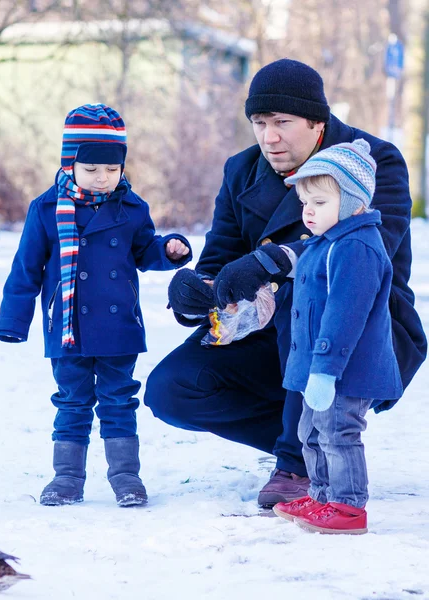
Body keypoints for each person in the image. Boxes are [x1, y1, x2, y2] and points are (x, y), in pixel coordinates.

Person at [145, 59, 427, 508]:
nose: (269, 137)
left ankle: (296, 462)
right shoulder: (242, 170)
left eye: (282, 122)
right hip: (268, 332)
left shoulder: (374, 161)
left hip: (359, 332)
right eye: (259, 122)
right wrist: (195, 291)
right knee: (171, 389)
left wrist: (272, 260)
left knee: (304, 289)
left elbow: (366, 252)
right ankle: (325, 440)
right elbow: (218, 259)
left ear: (318, 122)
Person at [0, 103, 192, 507]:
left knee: (120, 401)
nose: (103, 177)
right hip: (68, 327)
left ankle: (126, 478)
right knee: (72, 401)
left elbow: (143, 250)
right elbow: (26, 269)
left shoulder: (132, 208)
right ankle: (66, 478)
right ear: (70, 165)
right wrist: (13, 320)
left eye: (112, 169)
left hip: (119, 329)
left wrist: (168, 251)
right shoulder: (46, 209)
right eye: (92, 169)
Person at [268, 139, 401, 534]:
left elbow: (344, 316)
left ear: (353, 204)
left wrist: (325, 370)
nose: (308, 211)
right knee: (310, 432)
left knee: (338, 433)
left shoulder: (356, 247)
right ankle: (323, 495)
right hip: (318, 368)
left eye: (320, 203)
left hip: (345, 370)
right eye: (305, 203)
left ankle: (347, 506)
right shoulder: (326, 243)